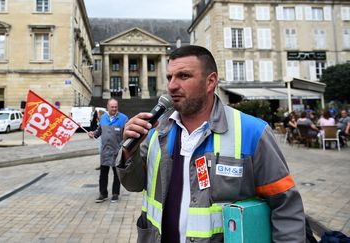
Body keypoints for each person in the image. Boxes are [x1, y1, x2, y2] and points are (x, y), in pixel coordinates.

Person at [116, 45, 305, 242]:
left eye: (184, 76)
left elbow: (286, 209)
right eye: (170, 77)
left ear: (210, 82)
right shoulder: (156, 130)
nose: (172, 85)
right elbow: (134, 184)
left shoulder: (253, 131)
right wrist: (129, 152)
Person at [88, 99, 128, 203]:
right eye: (112, 107)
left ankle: (115, 194)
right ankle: (103, 194)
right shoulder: (103, 118)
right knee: (103, 174)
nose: (114, 109)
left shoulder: (123, 118)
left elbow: (127, 135)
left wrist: (124, 149)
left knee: (117, 174)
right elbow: (99, 131)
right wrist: (93, 134)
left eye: (116, 106)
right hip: (105, 151)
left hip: (117, 152)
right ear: (108, 107)